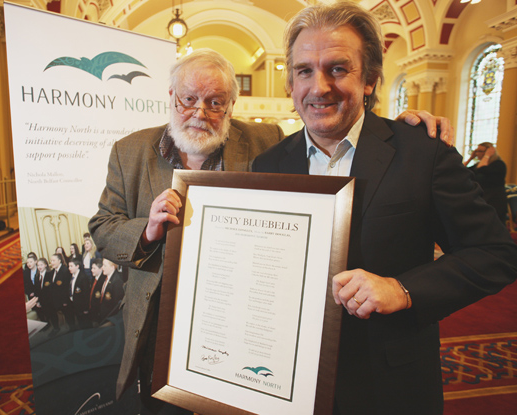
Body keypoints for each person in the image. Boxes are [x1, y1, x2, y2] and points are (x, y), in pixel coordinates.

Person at [89, 48, 454, 414]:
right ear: (171, 97)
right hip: (162, 324)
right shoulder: (130, 150)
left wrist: (403, 127)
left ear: (232, 105)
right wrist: (149, 230)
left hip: (246, 322)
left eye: (216, 102)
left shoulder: (266, 141)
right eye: (189, 99)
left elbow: (337, 141)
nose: (200, 112)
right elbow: (103, 226)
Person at [252, 3, 517, 414]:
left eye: (338, 69)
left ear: (371, 79)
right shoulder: (268, 164)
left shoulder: (422, 153)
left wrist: (404, 289)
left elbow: (496, 254)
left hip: (387, 381)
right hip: (285, 373)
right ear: (290, 82)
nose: (319, 86)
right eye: (304, 70)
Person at [464, 142, 508, 221]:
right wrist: (471, 158)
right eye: (476, 151)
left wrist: (487, 156)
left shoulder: (499, 164)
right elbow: (462, 170)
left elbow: (481, 169)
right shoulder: (478, 165)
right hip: (482, 197)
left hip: (495, 199)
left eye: (480, 151)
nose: (477, 153)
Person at [98, 258, 125, 323]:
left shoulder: (117, 282)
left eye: (104, 265)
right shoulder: (106, 278)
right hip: (104, 315)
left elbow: (116, 305)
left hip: (110, 318)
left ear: (112, 267)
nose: (102, 268)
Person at [68, 259, 91, 329]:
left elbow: (86, 294)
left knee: (86, 323)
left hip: (82, 306)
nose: (69, 268)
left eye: (71, 266)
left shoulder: (83, 277)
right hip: (75, 304)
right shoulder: (72, 276)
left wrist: (86, 308)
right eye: (69, 266)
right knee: (80, 321)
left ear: (77, 266)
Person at [88, 257, 106, 325]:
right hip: (92, 310)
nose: (92, 270)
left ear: (101, 268)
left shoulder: (103, 281)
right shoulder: (93, 278)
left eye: (94, 268)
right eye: (91, 268)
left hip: (98, 313)